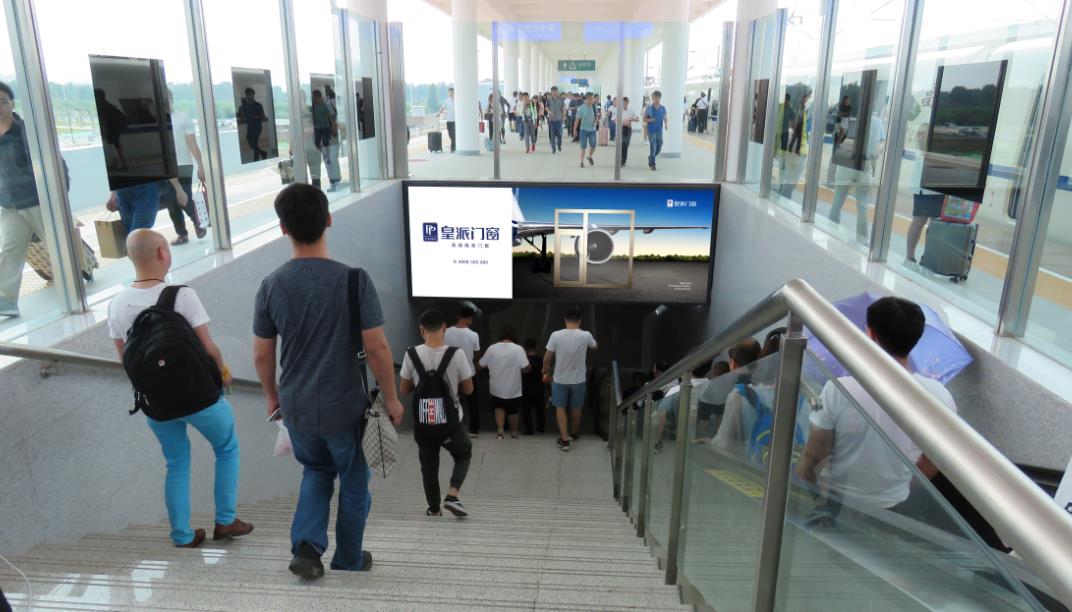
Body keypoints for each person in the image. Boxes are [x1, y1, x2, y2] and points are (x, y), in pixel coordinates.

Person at [252, 183, 403, 579]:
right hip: (346, 406)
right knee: (353, 481)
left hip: (297, 405)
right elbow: (377, 347)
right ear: (329, 220)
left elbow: (262, 353)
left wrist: (271, 396)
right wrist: (391, 398)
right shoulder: (354, 281)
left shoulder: (271, 285)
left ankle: (306, 547)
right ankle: (348, 557)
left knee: (316, 472)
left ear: (283, 228)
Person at [107, 229, 251, 548]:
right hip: (199, 396)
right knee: (226, 448)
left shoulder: (116, 304)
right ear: (162, 253)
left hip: (157, 404)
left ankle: (183, 535)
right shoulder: (181, 295)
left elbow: (125, 359)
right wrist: (224, 373)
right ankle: (225, 521)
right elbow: (209, 348)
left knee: (176, 463)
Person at [796, 297, 957, 514]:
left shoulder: (839, 389)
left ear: (870, 334)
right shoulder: (940, 397)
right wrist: (900, 488)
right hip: (895, 507)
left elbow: (812, 456)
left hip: (835, 503)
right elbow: (936, 460)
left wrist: (813, 496)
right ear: (916, 338)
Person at [400, 309, 474, 518]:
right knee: (464, 453)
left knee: (429, 467)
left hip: (424, 423)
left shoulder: (411, 354)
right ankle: (452, 494)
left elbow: (404, 390)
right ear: (444, 329)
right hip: (449, 423)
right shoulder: (457, 354)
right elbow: (469, 389)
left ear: (421, 330)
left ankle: (434, 509)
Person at [0, 82, 47, 317]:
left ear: (12, 104)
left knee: (58, 245)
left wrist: (59, 196)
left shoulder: (27, 132)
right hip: (8, 204)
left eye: (2, 102)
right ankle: (6, 300)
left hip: (36, 200)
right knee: (10, 250)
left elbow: (53, 162)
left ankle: (78, 281)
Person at [828, 99, 887, 244]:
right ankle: (862, 238)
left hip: (845, 160)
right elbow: (880, 145)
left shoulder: (846, 118)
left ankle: (831, 227)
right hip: (864, 163)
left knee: (839, 196)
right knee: (862, 202)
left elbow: (836, 138)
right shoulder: (876, 121)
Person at [543, 307, 598, 451]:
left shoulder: (556, 335)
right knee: (576, 407)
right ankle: (575, 433)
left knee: (560, 407)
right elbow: (595, 347)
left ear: (565, 320)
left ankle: (565, 440)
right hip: (579, 380)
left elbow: (547, 356)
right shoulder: (586, 335)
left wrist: (545, 369)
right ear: (580, 321)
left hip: (560, 379)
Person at [164, 90, 207, 246]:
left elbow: (192, 144)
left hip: (184, 165)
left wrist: (200, 165)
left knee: (184, 197)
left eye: (167, 98)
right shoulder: (157, 121)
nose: (165, 102)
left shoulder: (183, 118)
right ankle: (182, 234)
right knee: (171, 202)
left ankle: (198, 222)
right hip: (166, 167)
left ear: (172, 99)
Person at [479, 326, 530, 439]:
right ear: (513, 336)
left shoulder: (492, 348)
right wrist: (527, 369)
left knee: (499, 407)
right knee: (513, 410)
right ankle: (514, 432)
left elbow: (481, 364)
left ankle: (500, 430)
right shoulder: (518, 349)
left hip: (496, 386)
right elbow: (526, 366)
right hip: (513, 387)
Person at [653, 363, 710, 453]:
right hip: (705, 446)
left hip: (681, 444)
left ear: (689, 368)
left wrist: (656, 441)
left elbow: (661, 417)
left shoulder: (676, 390)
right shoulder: (712, 387)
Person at [445, 305, 482, 437]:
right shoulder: (473, 335)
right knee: (473, 403)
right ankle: (474, 430)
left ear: (458, 316)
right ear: (470, 318)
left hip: (450, 373)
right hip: (469, 372)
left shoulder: (446, 332)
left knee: (451, 402)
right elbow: (476, 354)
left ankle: (451, 428)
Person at [521, 338, 546, 435]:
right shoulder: (541, 359)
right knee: (540, 410)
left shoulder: (523, 360)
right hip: (538, 388)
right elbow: (545, 373)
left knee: (526, 411)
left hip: (526, 388)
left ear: (525, 348)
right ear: (536, 347)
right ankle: (540, 429)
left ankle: (529, 430)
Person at [237, 87, 269, 161]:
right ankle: (262, 153)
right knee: (251, 143)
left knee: (254, 143)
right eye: (247, 94)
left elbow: (263, 117)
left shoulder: (258, 105)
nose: (248, 96)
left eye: (250, 94)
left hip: (257, 126)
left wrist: (254, 116)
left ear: (253, 95)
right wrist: (241, 108)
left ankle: (256, 159)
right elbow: (239, 115)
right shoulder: (244, 106)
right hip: (250, 127)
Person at [644, 90, 669, 171]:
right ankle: (652, 164)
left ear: (660, 98)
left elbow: (665, 117)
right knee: (653, 147)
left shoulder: (663, 108)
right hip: (651, 131)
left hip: (659, 131)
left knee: (660, 146)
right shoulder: (649, 108)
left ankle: (651, 157)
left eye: (658, 98)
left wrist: (666, 124)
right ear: (652, 98)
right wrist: (651, 120)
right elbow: (644, 119)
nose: (656, 99)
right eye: (655, 98)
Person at [574, 93, 598, 168]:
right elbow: (577, 120)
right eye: (591, 98)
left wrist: (595, 121)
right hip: (583, 130)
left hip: (592, 130)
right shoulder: (581, 108)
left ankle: (589, 156)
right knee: (583, 147)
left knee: (593, 145)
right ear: (587, 99)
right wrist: (574, 130)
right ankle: (581, 162)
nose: (593, 100)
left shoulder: (595, 107)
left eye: (593, 98)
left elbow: (596, 116)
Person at [618, 97, 639, 167]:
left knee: (626, 144)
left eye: (626, 103)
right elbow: (614, 119)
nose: (625, 104)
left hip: (628, 129)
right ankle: (622, 161)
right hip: (621, 128)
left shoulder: (631, 110)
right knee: (622, 143)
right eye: (623, 103)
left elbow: (637, 119)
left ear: (628, 103)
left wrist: (632, 119)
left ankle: (623, 160)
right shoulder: (619, 110)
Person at [545, 86, 565, 154]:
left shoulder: (561, 99)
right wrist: (550, 112)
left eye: (556, 92)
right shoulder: (549, 99)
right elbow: (546, 108)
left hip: (559, 119)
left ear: (557, 92)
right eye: (553, 92)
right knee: (552, 134)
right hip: (551, 120)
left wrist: (563, 118)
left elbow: (562, 109)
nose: (555, 93)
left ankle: (559, 145)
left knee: (559, 134)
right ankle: (553, 148)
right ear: (551, 92)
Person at [438, 87, 457, 153]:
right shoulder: (447, 101)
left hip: (455, 121)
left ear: (454, 92)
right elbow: (442, 108)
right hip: (449, 120)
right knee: (450, 135)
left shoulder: (457, 100)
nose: (451, 93)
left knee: (453, 135)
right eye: (449, 92)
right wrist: (438, 114)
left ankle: (453, 148)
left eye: (452, 92)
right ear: (448, 93)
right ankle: (455, 145)